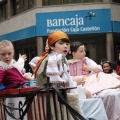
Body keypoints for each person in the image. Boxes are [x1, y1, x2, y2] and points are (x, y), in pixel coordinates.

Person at [35, 31, 108, 120]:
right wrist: (76, 83)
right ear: (51, 46)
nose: (65, 46)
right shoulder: (56, 59)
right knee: (97, 103)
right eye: (61, 43)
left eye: (67, 43)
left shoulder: (51, 57)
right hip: (61, 102)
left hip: (55, 99)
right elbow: (61, 85)